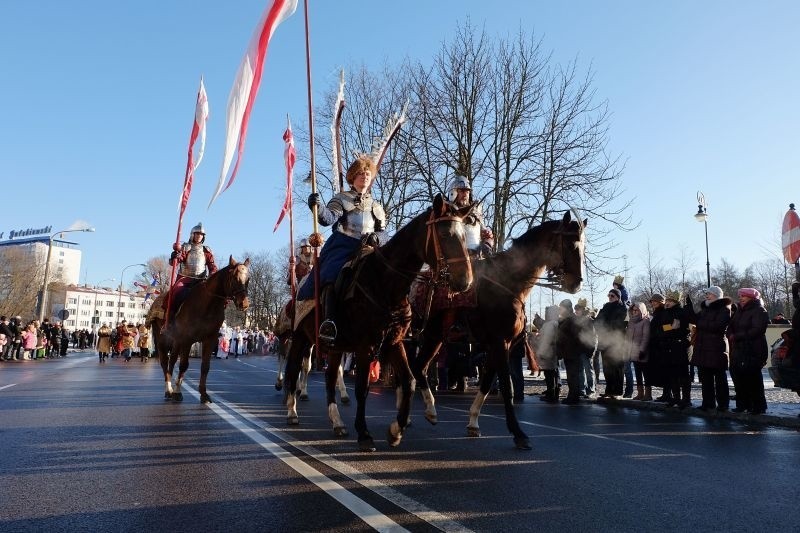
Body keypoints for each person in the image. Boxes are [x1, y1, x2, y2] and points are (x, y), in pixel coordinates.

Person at [302, 156, 389, 344]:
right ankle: (329, 322)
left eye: (367, 173)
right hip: (343, 245)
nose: (364, 176)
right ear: (353, 177)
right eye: (360, 173)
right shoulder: (342, 198)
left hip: (368, 247)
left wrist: (378, 238)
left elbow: (383, 233)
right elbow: (328, 218)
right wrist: (318, 207)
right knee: (332, 275)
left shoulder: (376, 206)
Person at [684, 286, 732, 412]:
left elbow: (718, 326)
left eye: (709, 293)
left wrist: (700, 324)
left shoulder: (724, 309)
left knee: (720, 378)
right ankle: (708, 403)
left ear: (716, 295)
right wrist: (688, 307)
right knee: (706, 378)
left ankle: (723, 404)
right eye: (707, 293)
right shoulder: (706, 309)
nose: (706, 295)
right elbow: (694, 319)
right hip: (703, 347)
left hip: (716, 347)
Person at [727, 287, 769, 414]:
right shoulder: (739, 311)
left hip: (753, 349)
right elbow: (731, 326)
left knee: (753, 379)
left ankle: (758, 406)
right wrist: (730, 333)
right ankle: (743, 404)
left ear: (751, 298)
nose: (741, 298)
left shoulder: (759, 310)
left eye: (744, 296)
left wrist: (737, 336)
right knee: (739, 378)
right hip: (739, 349)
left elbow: (758, 329)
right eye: (740, 296)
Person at [166, 222, 218, 322]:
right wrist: (175, 257)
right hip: (185, 279)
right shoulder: (186, 247)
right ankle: (170, 320)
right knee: (175, 293)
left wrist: (212, 274)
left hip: (201, 280)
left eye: (201, 234)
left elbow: (212, 266)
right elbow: (175, 262)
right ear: (192, 235)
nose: (199, 236)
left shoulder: (206, 250)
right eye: (197, 234)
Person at [448, 176, 494, 258]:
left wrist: (487, 245)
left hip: (477, 260)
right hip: (455, 261)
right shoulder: (447, 214)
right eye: (461, 191)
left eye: (467, 191)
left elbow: (488, 236)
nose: (465, 194)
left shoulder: (476, 214)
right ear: (453, 193)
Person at [595, 288, 628, 398]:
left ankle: (617, 391)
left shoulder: (623, 308)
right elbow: (597, 322)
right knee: (607, 367)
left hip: (617, 342)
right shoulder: (605, 307)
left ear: (618, 297)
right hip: (605, 341)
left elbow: (619, 324)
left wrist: (605, 324)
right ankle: (609, 390)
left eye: (612, 296)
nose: (610, 297)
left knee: (617, 367)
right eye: (609, 295)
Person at [557, 299, 584, 404]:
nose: (560, 309)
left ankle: (574, 397)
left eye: (561, 307)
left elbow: (576, 336)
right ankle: (572, 395)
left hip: (572, 352)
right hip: (568, 351)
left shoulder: (572, 319)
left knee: (573, 375)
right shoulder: (567, 319)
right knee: (571, 375)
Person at [626, 302, 651, 400]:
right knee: (637, 373)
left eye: (636, 310)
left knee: (646, 373)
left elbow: (646, 337)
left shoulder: (645, 322)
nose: (634, 312)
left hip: (642, 352)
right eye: (633, 310)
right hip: (633, 351)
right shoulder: (631, 322)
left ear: (641, 311)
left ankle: (648, 394)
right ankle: (640, 393)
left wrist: (642, 351)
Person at [574, 299, 598, 398]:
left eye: (577, 309)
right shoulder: (577, 321)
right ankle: (582, 389)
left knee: (589, 370)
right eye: (575, 309)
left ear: (582, 310)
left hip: (587, 350)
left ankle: (591, 390)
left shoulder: (589, 321)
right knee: (580, 371)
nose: (575, 311)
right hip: (579, 350)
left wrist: (591, 351)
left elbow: (593, 337)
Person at [537, 306, 561, 403]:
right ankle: (554, 393)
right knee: (553, 373)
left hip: (548, 351)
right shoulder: (556, 323)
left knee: (549, 374)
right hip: (553, 351)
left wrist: (541, 352)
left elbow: (546, 340)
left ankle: (551, 395)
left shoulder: (550, 324)